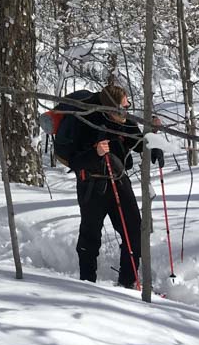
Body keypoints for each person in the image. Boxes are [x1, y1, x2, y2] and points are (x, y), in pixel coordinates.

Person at [58, 83, 163, 287]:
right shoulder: (85, 120)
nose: (126, 110)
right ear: (111, 108)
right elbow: (73, 160)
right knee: (90, 237)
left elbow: (138, 142)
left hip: (119, 181)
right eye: (123, 107)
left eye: (127, 106)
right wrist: (94, 153)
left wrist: (154, 142)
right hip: (91, 184)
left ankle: (128, 282)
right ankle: (87, 284)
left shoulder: (124, 120)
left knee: (134, 231)